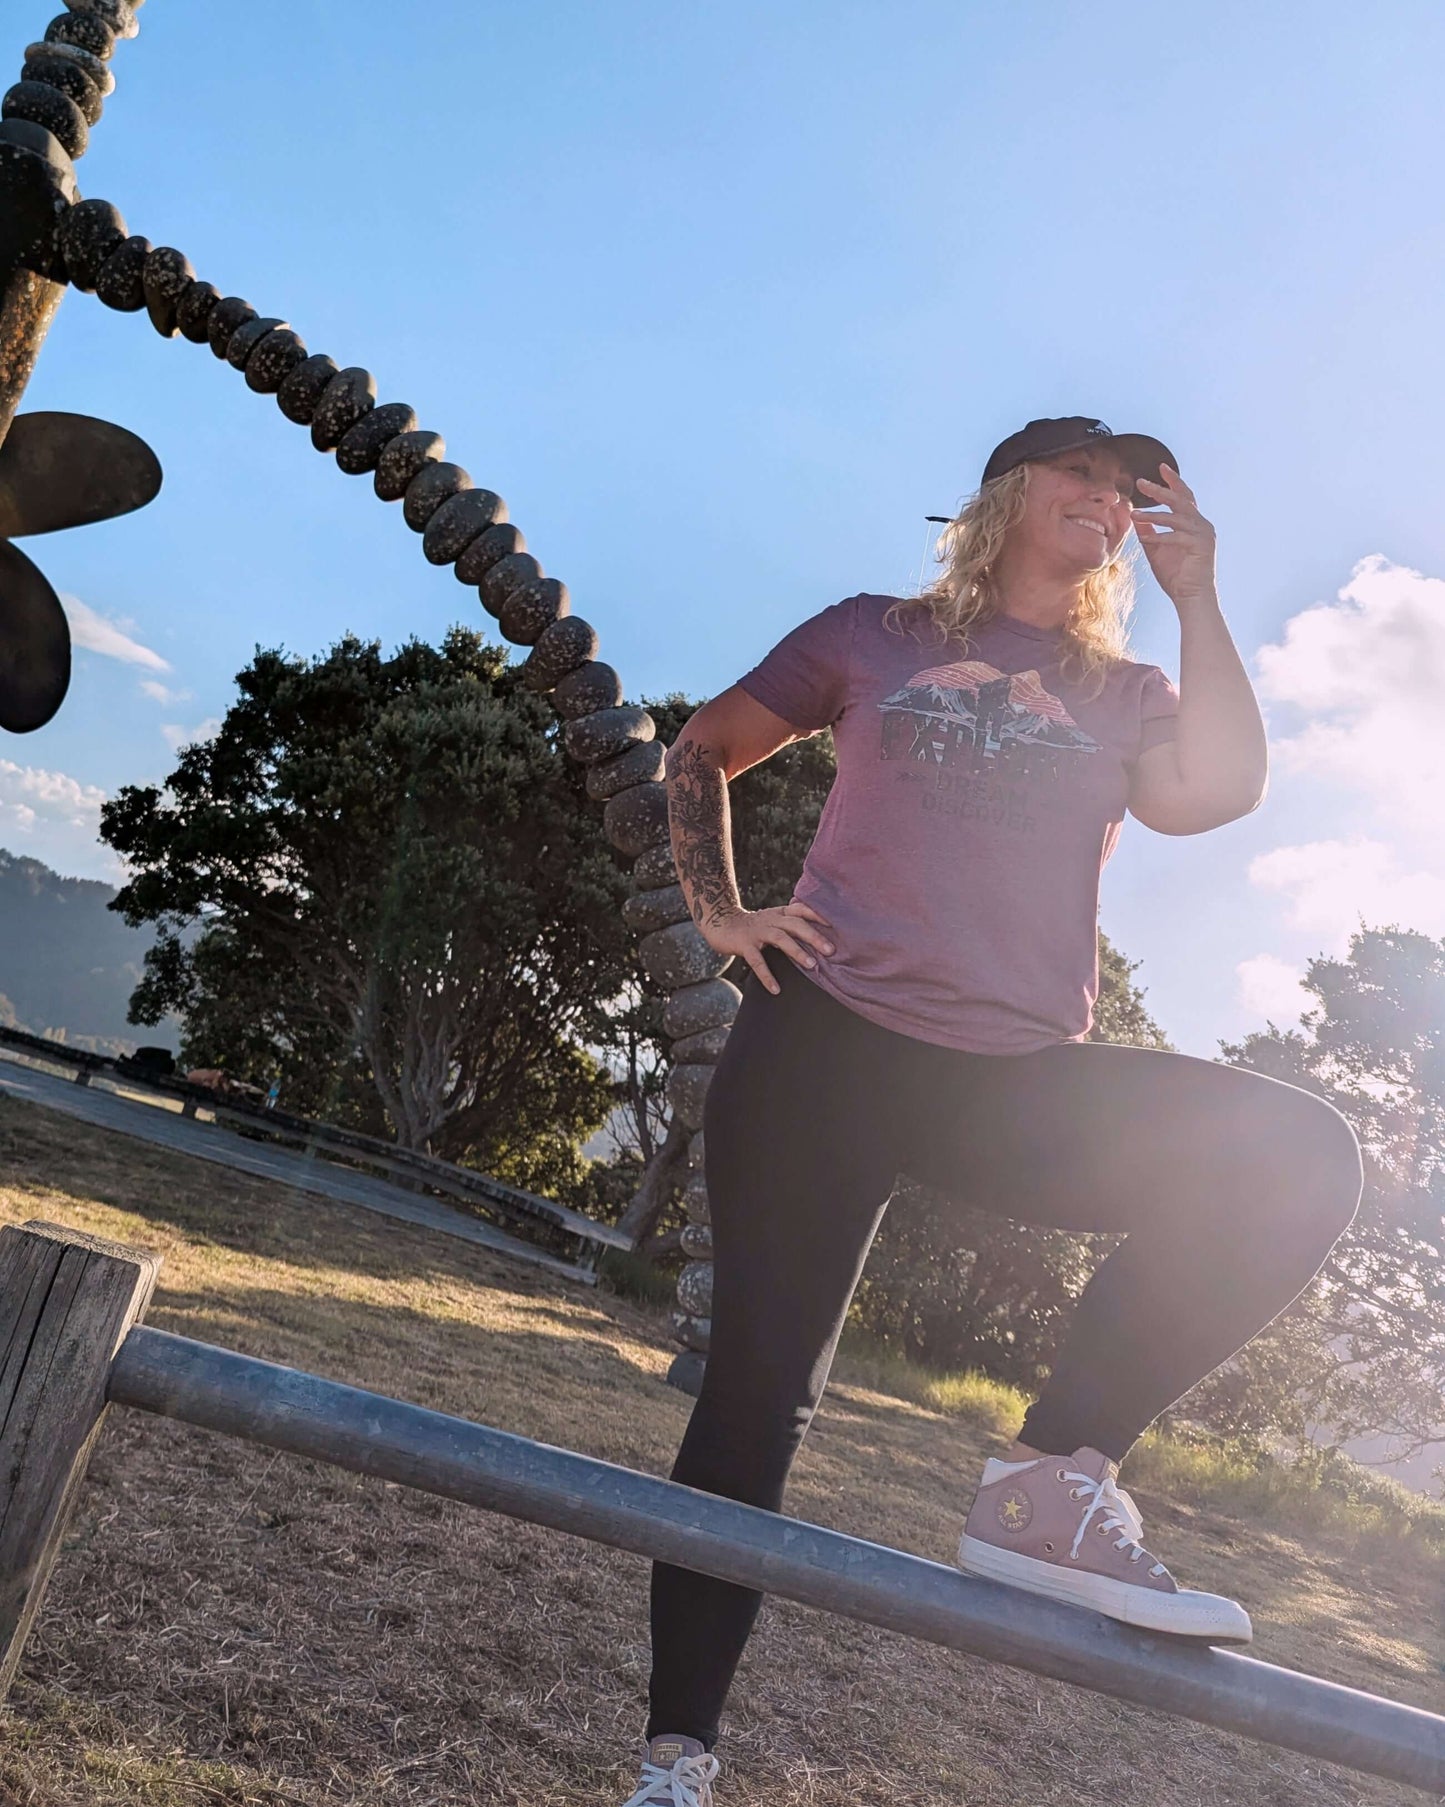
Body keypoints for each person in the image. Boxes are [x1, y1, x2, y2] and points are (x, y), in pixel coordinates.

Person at [619, 417, 1364, 1807]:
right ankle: (675, 1761)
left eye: (1130, 492)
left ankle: (1045, 1475)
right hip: (823, 1050)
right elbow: (700, 751)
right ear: (1010, 495)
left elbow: (1222, 792)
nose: (1105, 502)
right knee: (752, 1402)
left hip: (1012, 1079)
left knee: (1297, 1158)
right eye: (1081, 476)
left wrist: (1200, 598)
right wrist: (724, 918)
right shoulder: (872, 634)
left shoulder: (1128, 684)